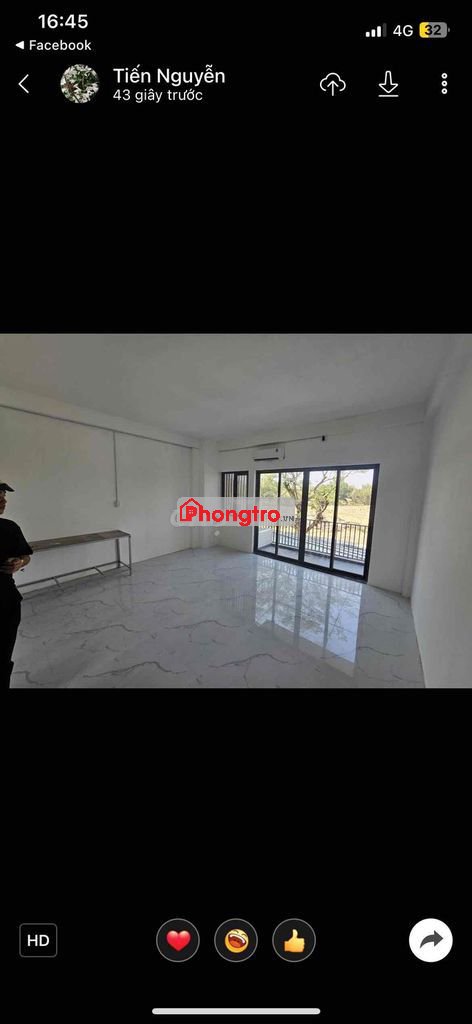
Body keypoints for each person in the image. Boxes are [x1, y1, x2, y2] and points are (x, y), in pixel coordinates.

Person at [0, 483, 33, 687]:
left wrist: (20, 562)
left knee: (3, 656)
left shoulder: (9, 528)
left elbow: (25, 555)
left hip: (5, 602)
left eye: (4, 497)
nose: (4, 501)